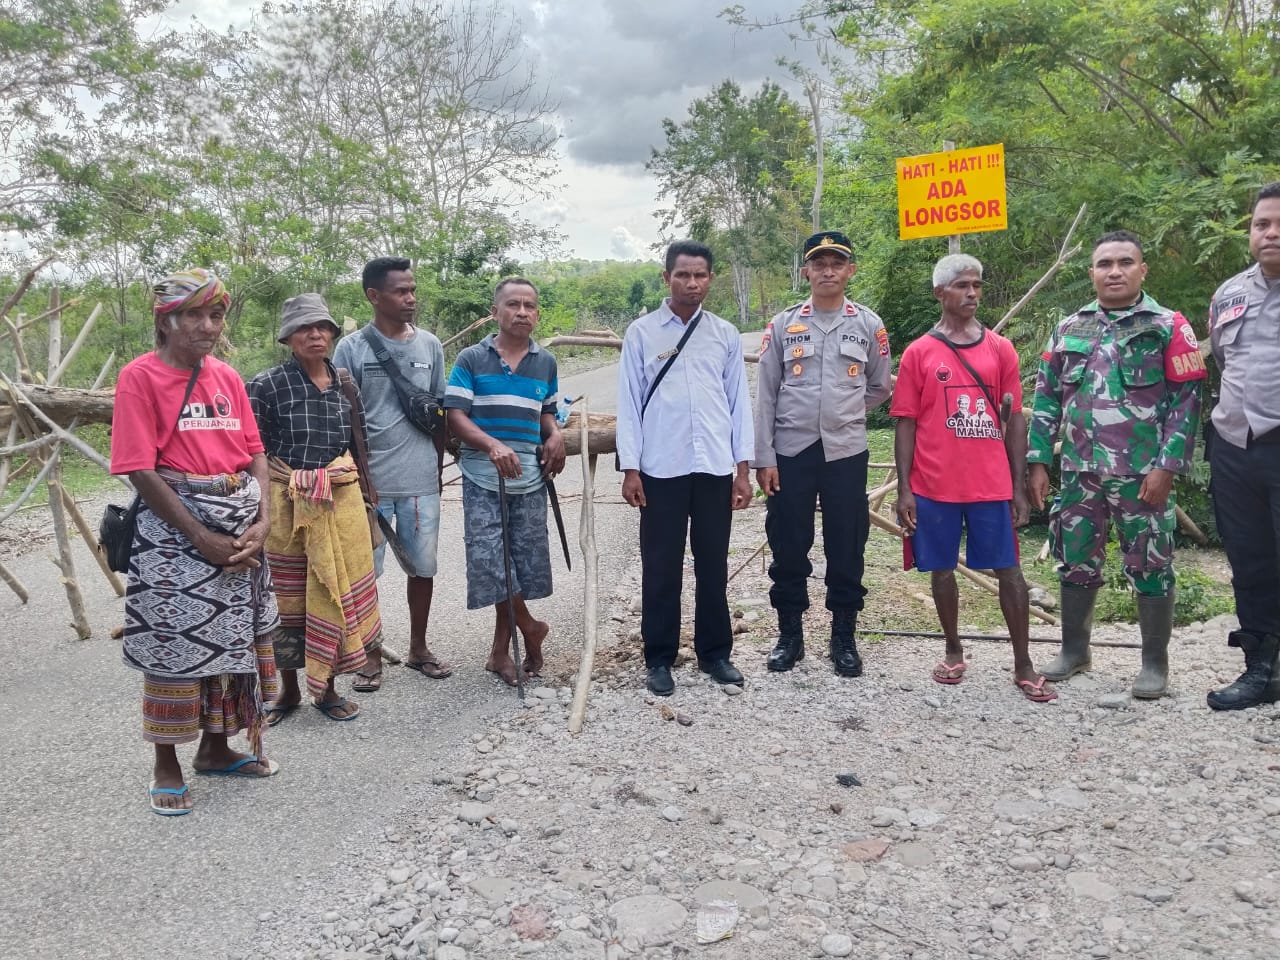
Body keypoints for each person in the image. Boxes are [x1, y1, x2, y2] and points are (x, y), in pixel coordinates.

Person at [111, 268, 280, 816]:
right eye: (195, 316)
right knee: (174, 644)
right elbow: (139, 468)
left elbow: (254, 451)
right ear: (167, 320)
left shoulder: (227, 378)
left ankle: (215, 748)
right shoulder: (140, 377)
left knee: (232, 643)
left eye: (216, 315)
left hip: (239, 524)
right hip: (176, 532)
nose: (208, 327)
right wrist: (200, 535)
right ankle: (166, 762)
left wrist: (264, 520)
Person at [1028, 230, 1206, 698]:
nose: (1114, 271)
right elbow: (1046, 397)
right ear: (1092, 272)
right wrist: (1039, 460)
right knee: (1074, 560)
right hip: (1079, 474)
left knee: (1150, 562)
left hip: (1141, 474)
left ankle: (1154, 665)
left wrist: (1167, 466)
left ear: (1143, 270)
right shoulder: (1070, 328)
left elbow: (1188, 401)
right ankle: (1074, 651)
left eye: (1125, 262)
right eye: (1104, 264)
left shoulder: (1168, 325)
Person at [892, 254, 1056, 701]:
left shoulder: (1000, 349)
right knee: (941, 569)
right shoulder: (919, 353)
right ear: (940, 293)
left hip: (990, 483)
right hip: (933, 483)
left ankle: (1023, 661)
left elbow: (1016, 419)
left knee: (1010, 571)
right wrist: (905, 488)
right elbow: (905, 421)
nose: (972, 293)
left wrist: (1019, 483)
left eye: (977, 285)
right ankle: (952, 649)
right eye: (962, 285)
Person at [617, 241, 754, 697]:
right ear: (666, 278)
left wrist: (742, 469)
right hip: (660, 467)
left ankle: (715, 653)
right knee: (661, 566)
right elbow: (629, 404)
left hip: (714, 465)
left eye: (699, 275)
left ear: (710, 278)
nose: (691, 283)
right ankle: (659, 657)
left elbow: (739, 404)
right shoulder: (641, 333)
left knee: (712, 564)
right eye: (682, 275)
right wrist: (631, 469)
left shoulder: (725, 334)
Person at [752, 230, 892, 677]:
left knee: (847, 545)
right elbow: (766, 394)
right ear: (806, 271)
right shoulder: (783, 325)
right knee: (788, 544)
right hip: (791, 452)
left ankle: (843, 637)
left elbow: (879, 386)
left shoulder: (868, 325)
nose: (828, 270)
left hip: (846, 452)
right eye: (819, 263)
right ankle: (789, 636)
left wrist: (844, 411)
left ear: (850, 270)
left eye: (837, 262)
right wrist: (765, 458)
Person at [248, 293, 385, 725]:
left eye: (322, 327)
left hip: (339, 502)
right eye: (305, 328)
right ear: (289, 337)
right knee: (287, 600)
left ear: (331, 334)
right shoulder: (266, 385)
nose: (315, 334)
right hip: (286, 506)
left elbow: (356, 445)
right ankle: (288, 691)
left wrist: (366, 494)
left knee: (335, 591)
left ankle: (326, 689)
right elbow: (252, 450)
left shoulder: (345, 382)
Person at [333, 257, 452, 686]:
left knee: (423, 567)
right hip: (369, 486)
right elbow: (342, 418)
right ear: (374, 296)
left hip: (421, 480)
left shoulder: (431, 346)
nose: (411, 298)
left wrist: (436, 470)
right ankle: (370, 653)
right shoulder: (351, 348)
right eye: (401, 291)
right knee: (366, 573)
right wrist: (354, 478)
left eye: (412, 290)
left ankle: (419, 647)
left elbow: (440, 411)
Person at [444, 277, 565, 684]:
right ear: (495, 312)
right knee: (491, 562)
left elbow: (546, 410)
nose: (522, 312)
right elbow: (455, 415)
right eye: (513, 305)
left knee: (519, 564)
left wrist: (556, 435)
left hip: (530, 479)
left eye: (530, 305)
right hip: (483, 477)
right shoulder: (471, 359)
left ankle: (500, 652)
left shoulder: (545, 362)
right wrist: (492, 445)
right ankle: (530, 627)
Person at [1204, 182, 1280, 710]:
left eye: (1278, 225)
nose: (1270, 234)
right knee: (1250, 561)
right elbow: (1223, 364)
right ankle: (1261, 670)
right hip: (1234, 444)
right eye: (1262, 224)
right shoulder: (1229, 294)